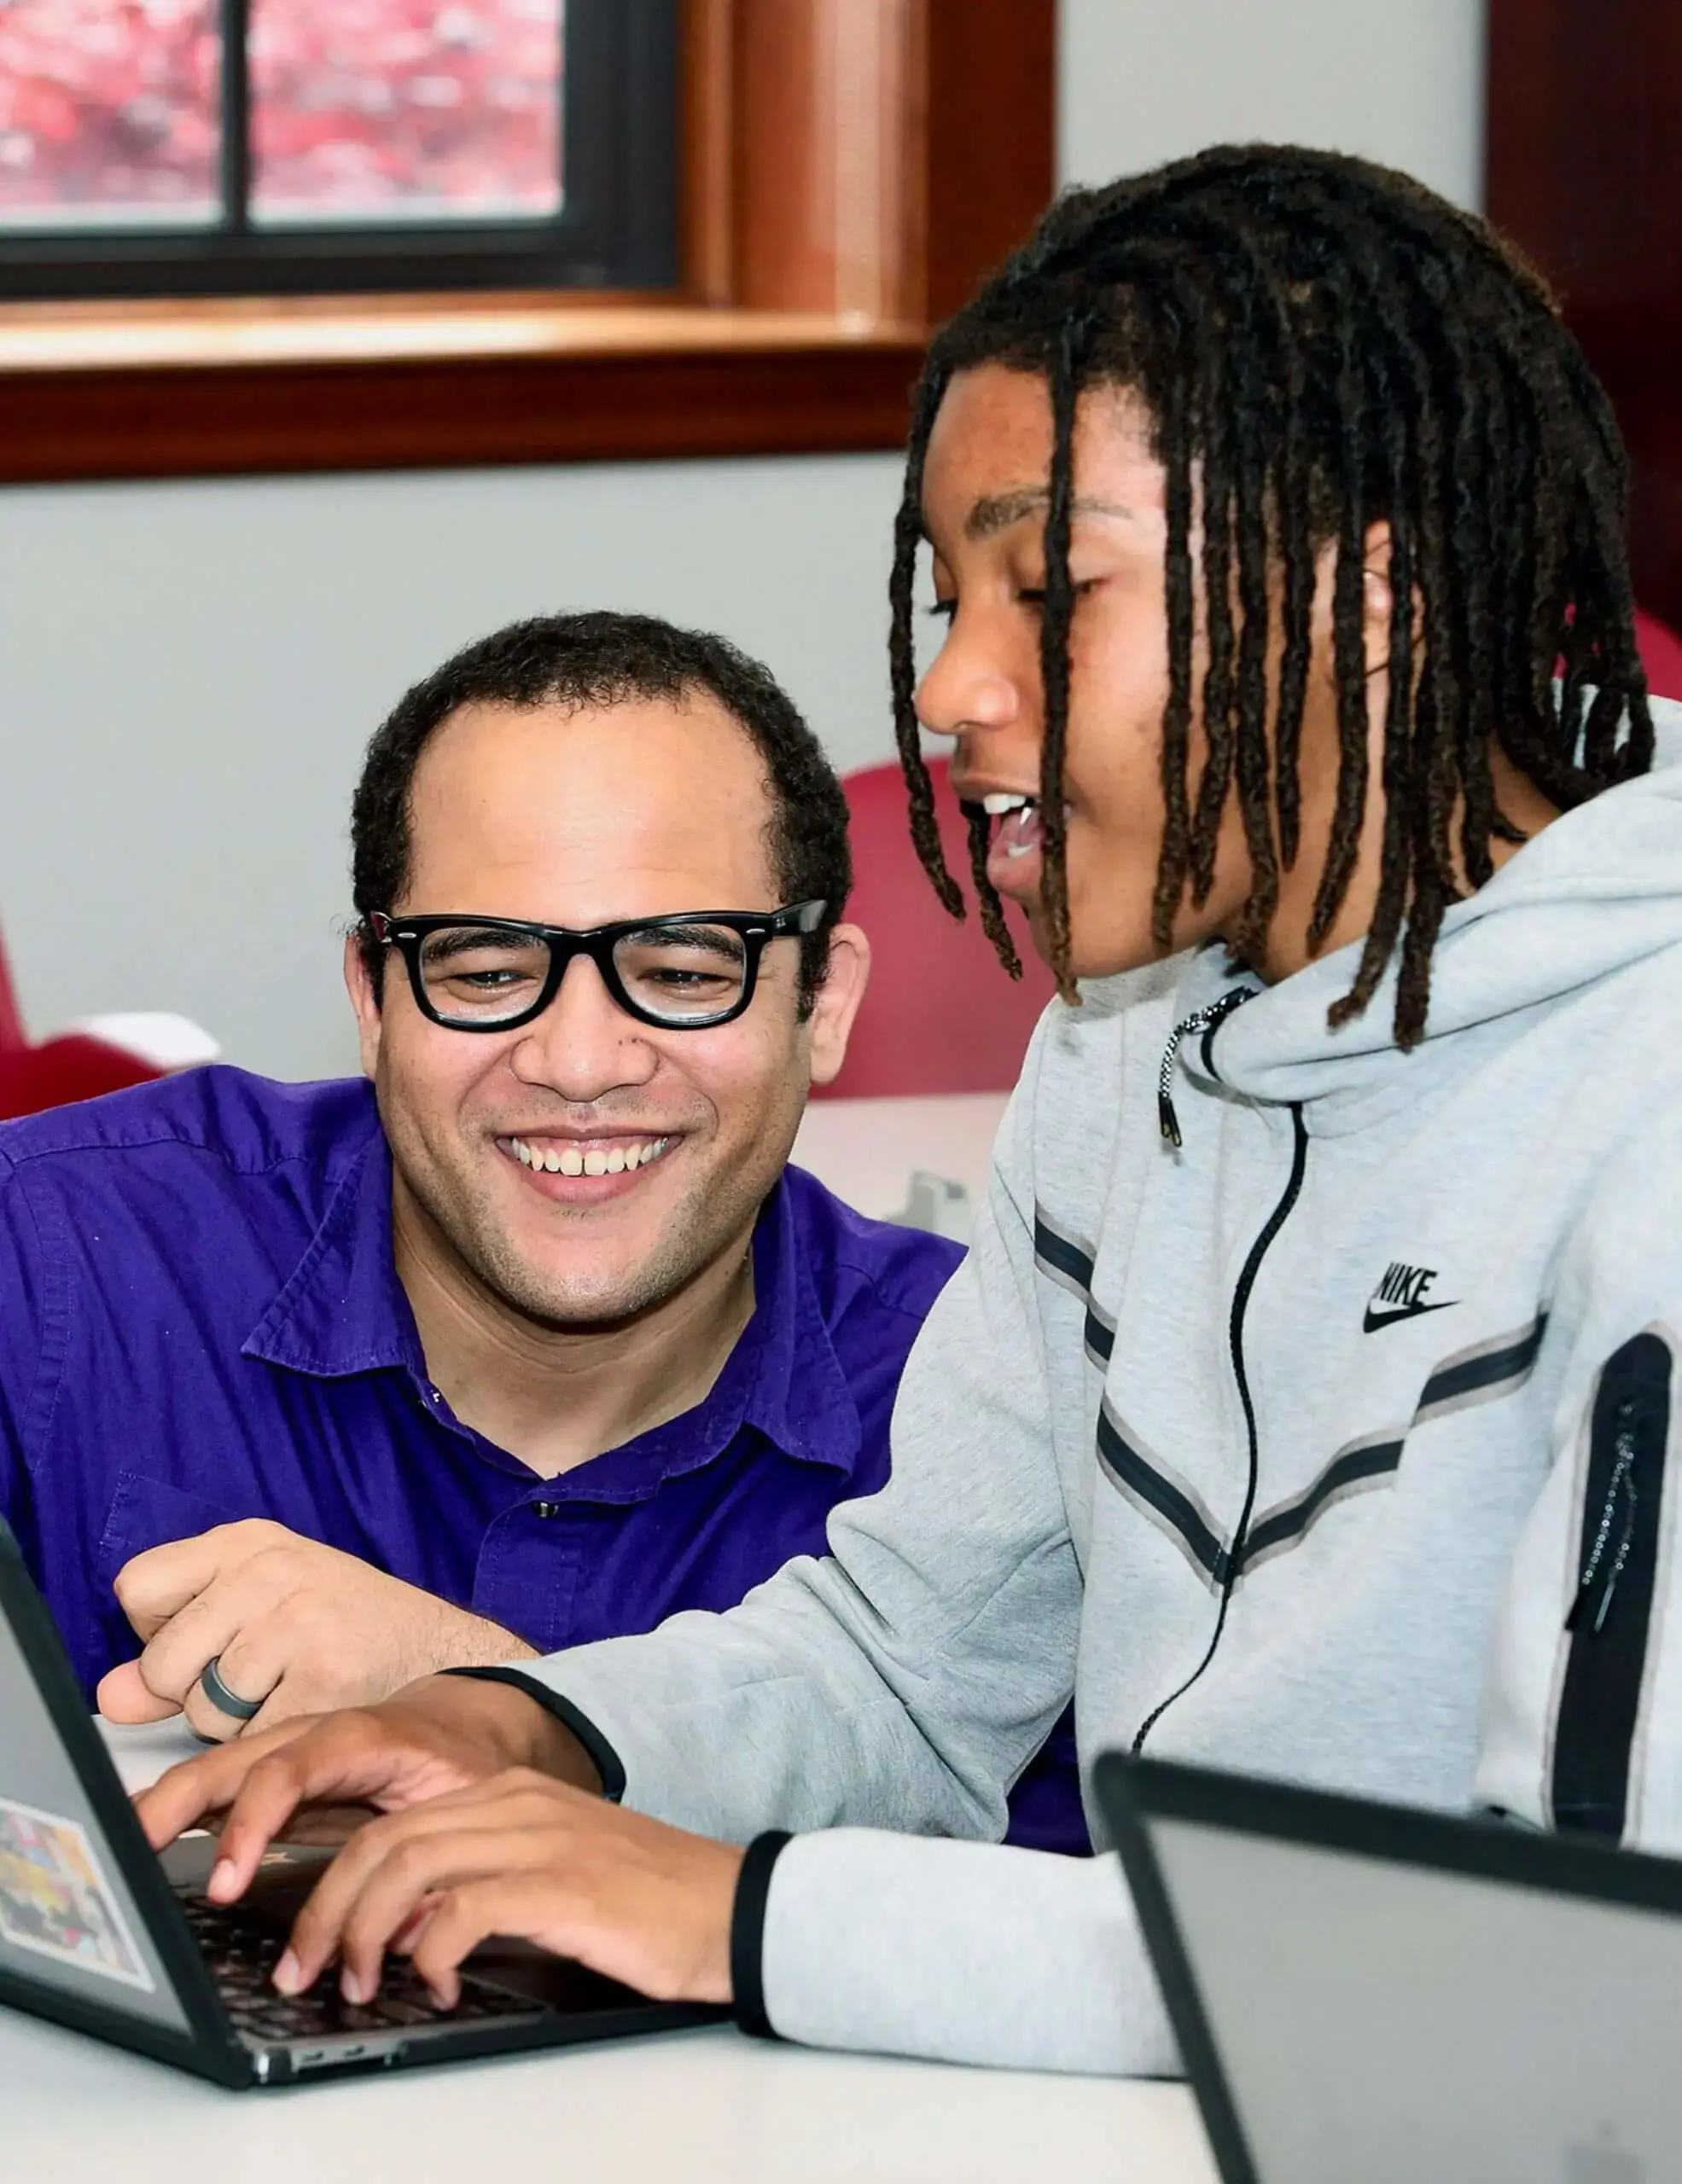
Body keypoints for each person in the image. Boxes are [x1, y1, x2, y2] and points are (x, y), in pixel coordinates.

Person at [137, 146, 1682, 2076]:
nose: (948, 684)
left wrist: (737, 1911)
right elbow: (908, 1658)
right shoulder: (1123, 1054)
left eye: (1052, 589)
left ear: (1364, 592)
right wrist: (523, 1736)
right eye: (945, 592)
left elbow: (1586, 2000)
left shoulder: (1646, 1108)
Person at [0, 612, 1083, 1854]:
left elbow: (1090, 1939)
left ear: (820, 1003)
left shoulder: (995, 1405)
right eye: (483, 969)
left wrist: (488, 1700)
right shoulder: (58, 1256)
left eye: (684, 970)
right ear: (372, 999)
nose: (577, 1064)